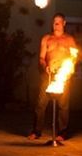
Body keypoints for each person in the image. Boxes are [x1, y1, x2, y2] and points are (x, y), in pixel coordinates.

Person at [28, 13, 77, 141]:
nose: (56, 25)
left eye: (59, 22)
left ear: (64, 23)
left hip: (63, 75)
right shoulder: (46, 38)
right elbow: (41, 58)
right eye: (54, 22)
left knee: (63, 105)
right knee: (41, 103)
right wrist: (45, 67)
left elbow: (74, 58)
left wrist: (65, 70)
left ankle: (62, 133)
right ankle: (36, 131)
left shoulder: (69, 40)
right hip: (48, 74)